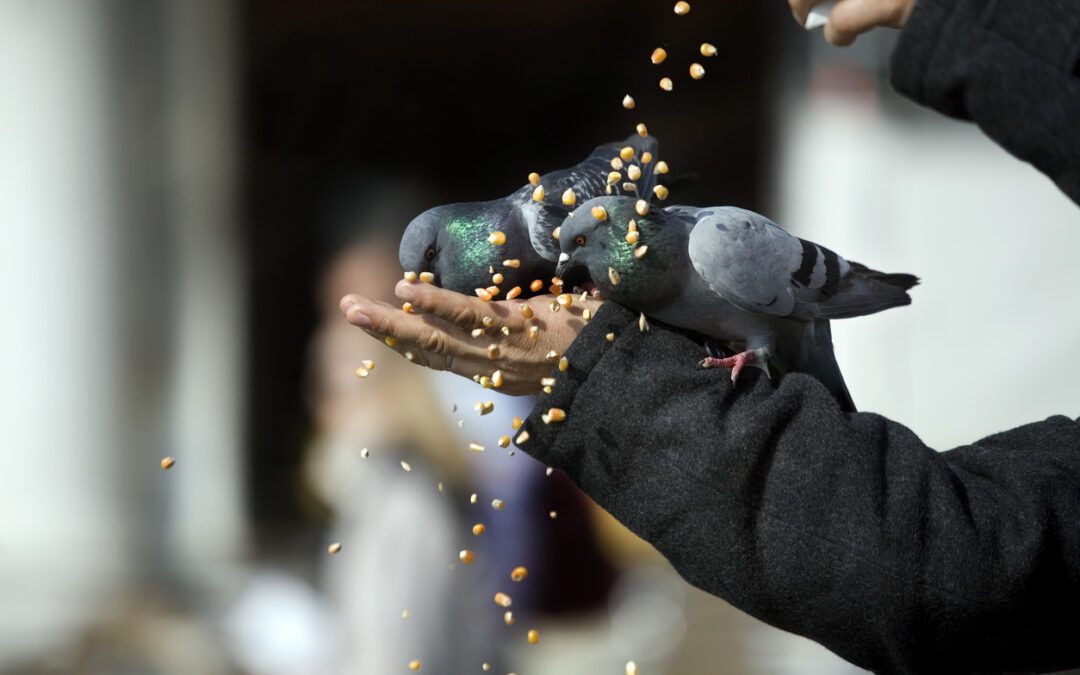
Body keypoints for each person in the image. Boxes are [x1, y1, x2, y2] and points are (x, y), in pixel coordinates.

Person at [340, 0, 1080, 671]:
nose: (434, 277)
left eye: (435, 260)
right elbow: (934, 560)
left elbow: (945, 563)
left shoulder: (547, 221)